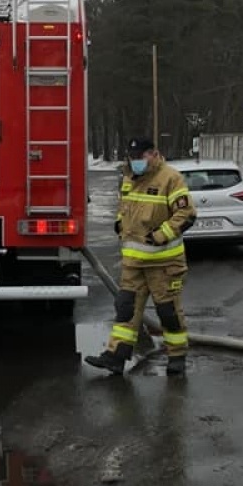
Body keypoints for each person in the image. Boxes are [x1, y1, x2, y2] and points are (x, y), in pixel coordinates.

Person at [85, 136, 196, 377]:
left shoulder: (171, 178)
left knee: (168, 312)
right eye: (132, 157)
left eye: (140, 156)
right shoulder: (129, 178)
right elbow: (125, 207)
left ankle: (177, 356)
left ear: (154, 154)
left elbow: (186, 214)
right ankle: (116, 356)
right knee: (126, 310)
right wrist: (118, 223)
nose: (136, 161)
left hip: (164, 263)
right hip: (134, 262)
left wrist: (161, 235)